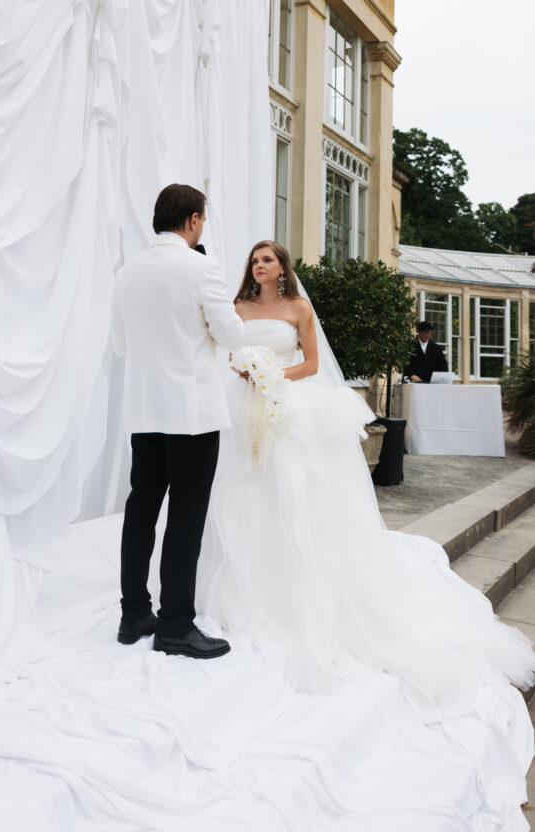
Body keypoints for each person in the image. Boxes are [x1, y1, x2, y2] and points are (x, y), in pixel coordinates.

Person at [198, 240, 535, 698]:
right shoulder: (237, 306)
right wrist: (244, 371)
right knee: (240, 485)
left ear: (282, 267)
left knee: (294, 487)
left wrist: (271, 376)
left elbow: (313, 364)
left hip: (285, 402)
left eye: (267, 259)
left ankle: (297, 589)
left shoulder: (299, 307)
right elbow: (229, 350)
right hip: (241, 407)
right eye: (254, 260)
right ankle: (241, 585)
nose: (258, 266)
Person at [111, 183, 245, 659]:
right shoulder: (201, 267)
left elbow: (121, 346)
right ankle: (175, 626)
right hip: (191, 414)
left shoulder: (127, 272)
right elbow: (230, 333)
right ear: (192, 220)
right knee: (186, 518)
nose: (202, 227)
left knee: (141, 510)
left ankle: (133, 615)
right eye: (202, 220)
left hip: (144, 412)